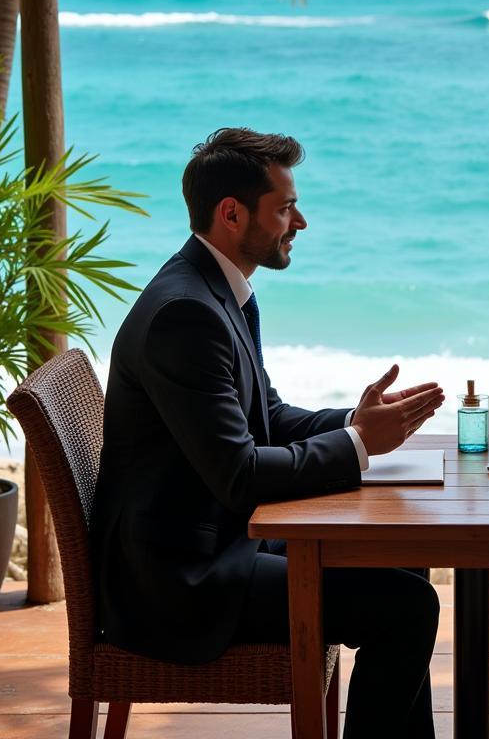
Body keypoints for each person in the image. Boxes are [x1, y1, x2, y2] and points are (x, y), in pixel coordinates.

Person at [91, 128, 445, 739]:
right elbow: (241, 477)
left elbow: (268, 417)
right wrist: (360, 446)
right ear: (232, 214)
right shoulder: (187, 315)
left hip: (215, 542)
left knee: (404, 561)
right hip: (182, 582)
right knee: (407, 609)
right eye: (284, 207)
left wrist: (356, 422)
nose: (300, 221)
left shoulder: (214, 290)